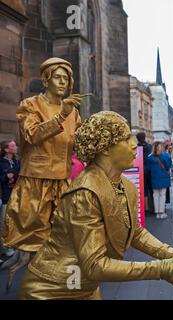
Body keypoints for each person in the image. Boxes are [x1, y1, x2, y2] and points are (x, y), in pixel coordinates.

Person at [18, 111, 173, 300]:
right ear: (105, 147)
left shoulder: (125, 185)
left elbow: (135, 231)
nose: (134, 145)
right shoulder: (85, 193)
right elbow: (94, 264)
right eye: (125, 138)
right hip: (51, 290)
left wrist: (171, 254)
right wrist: (161, 269)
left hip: (84, 286)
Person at [1, 58, 82, 288]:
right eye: (58, 77)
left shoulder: (73, 113)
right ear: (46, 79)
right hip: (37, 183)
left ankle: (53, 285)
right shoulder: (30, 105)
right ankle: (35, 287)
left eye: (66, 78)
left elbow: (80, 143)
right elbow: (32, 135)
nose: (63, 82)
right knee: (35, 243)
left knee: (64, 240)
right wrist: (61, 115)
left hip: (62, 183)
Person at [0, 140, 20, 258]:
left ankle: (13, 244)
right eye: (12, 145)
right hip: (5, 197)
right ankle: (4, 248)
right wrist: (5, 176)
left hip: (16, 197)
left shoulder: (16, 162)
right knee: (3, 223)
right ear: (6, 149)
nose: (15, 147)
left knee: (14, 222)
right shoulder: (1, 162)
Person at [147, 141, 172, 220]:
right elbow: (168, 166)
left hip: (154, 177)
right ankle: (162, 212)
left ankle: (157, 213)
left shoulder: (150, 157)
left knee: (155, 195)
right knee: (162, 195)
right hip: (164, 177)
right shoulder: (166, 156)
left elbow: (148, 168)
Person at [136, 132, 154, 216]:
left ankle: (145, 209)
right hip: (150, 170)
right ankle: (153, 208)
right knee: (152, 189)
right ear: (145, 137)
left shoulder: (136, 148)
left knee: (144, 190)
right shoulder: (150, 147)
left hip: (141, 171)